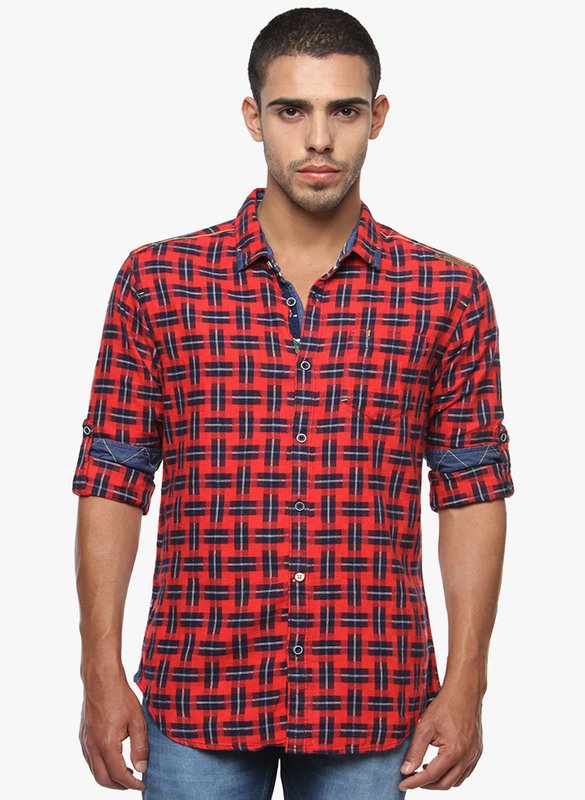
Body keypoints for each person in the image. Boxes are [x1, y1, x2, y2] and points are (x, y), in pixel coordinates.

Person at [73, 7, 514, 799]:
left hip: (372, 694)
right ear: (253, 118)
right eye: (290, 110)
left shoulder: (445, 294)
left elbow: (471, 489)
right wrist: (98, 671)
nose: (318, 139)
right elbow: (112, 478)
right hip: (199, 688)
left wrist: (467, 682)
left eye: (343, 110)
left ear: (377, 117)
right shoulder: (159, 282)